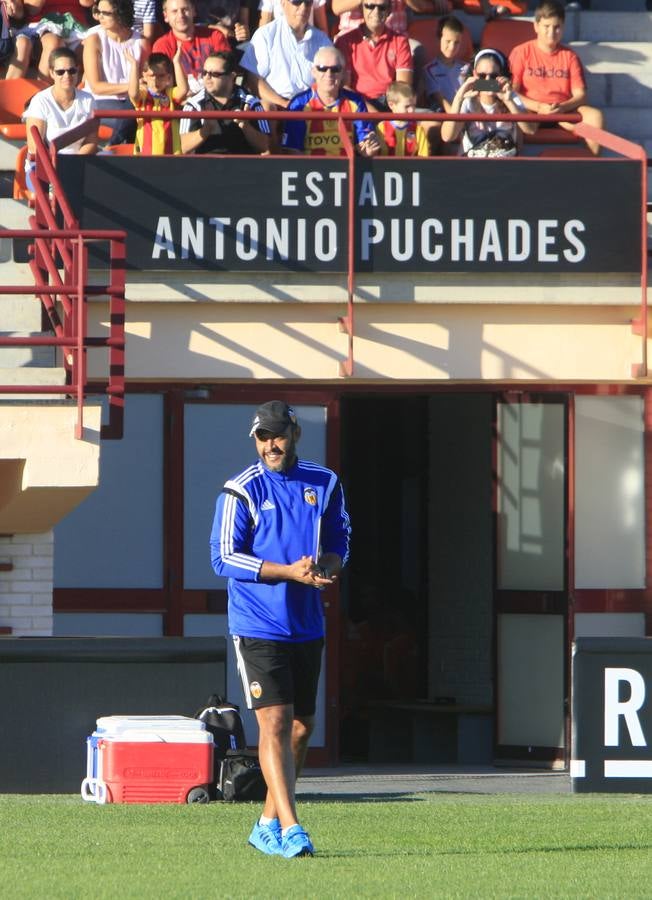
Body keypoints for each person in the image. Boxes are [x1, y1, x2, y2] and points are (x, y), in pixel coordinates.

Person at [210, 401, 351, 859]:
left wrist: (326, 567)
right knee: (272, 722)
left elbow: (339, 542)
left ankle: (266, 822)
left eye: (278, 434)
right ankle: (293, 829)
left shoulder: (324, 482)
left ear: (295, 434)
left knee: (301, 727)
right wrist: (289, 572)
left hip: (306, 623)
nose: (271, 444)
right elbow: (224, 558)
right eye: (262, 436)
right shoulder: (240, 490)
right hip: (257, 622)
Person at [508, 0, 604, 155]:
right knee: (514, 114)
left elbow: (581, 95)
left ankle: (591, 164)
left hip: (564, 112)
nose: (551, 32)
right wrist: (539, 107)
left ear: (563, 27)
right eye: (546, 26)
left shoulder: (570, 56)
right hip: (532, 111)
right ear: (536, 26)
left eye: (557, 27)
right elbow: (512, 93)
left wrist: (561, 108)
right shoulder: (521, 52)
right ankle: (517, 163)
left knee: (594, 116)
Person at [282, 46, 380, 156]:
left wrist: (368, 150)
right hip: (310, 170)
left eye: (335, 69)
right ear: (313, 72)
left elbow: (363, 145)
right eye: (322, 68)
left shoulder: (356, 102)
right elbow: (293, 150)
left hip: (348, 170)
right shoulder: (299, 104)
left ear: (343, 73)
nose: (329, 74)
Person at [22, 46, 97, 190]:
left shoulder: (88, 100)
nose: (67, 76)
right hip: (43, 167)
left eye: (72, 71)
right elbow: (35, 147)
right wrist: (59, 170)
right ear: (51, 73)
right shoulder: (40, 101)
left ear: (77, 71)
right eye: (60, 72)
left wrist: (73, 166)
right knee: (58, 195)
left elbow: (91, 142)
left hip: (78, 165)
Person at [239, 0, 332, 111]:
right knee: (267, 108)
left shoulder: (322, 40)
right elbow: (254, 80)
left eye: (308, 2)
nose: (303, 7)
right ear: (283, 3)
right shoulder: (265, 35)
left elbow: (332, 77)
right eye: (296, 2)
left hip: (313, 108)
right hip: (277, 107)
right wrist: (286, 105)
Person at [441, 47, 536, 156]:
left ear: (502, 75)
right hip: (472, 164)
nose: (488, 81)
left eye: (494, 76)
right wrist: (458, 98)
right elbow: (447, 136)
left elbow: (530, 130)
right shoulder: (468, 100)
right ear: (474, 75)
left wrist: (508, 101)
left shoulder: (511, 97)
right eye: (482, 76)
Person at [82, 0, 149, 145]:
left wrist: (137, 87)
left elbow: (146, 80)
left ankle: (113, 148)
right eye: (98, 11)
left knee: (139, 113)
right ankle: (114, 147)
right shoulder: (94, 40)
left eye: (105, 13)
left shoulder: (141, 43)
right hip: (99, 102)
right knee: (133, 115)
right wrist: (132, 86)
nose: (100, 17)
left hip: (133, 101)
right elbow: (96, 87)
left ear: (120, 14)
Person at [180, 50, 270, 154]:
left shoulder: (251, 102)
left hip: (243, 166)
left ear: (232, 76)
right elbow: (185, 147)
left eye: (215, 74)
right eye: (204, 73)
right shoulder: (193, 105)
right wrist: (207, 128)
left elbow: (265, 147)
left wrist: (245, 125)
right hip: (207, 167)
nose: (207, 77)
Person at [335, 0, 412, 110]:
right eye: (370, 6)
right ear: (362, 9)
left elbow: (403, 89)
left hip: (391, 106)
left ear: (389, 11)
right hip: (358, 105)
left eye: (382, 7)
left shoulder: (400, 41)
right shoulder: (345, 41)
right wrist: (371, 112)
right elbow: (345, 88)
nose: (376, 11)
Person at [153, 0, 231, 94]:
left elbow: (227, 75)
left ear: (194, 11)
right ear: (166, 16)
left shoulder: (215, 36)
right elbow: (161, 87)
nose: (181, 15)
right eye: (174, 11)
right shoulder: (161, 46)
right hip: (181, 103)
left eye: (185, 9)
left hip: (214, 99)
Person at [6, 0, 92, 80]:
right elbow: (33, 9)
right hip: (42, 24)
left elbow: (87, 2)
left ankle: (86, 93)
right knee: (53, 43)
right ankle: (41, 91)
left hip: (75, 26)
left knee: (92, 48)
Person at [127, 48, 189, 154]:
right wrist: (134, 66)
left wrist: (177, 63)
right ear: (144, 77)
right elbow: (133, 93)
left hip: (172, 153)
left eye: (161, 76)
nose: (156, 80)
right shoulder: (143, 95)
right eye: (151, 76)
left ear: (169, 78)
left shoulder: (170, 94)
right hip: (146, 155)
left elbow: (183, 90)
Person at [376, 80, 428, 156]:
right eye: (407, 106)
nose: (411, 110)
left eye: (414, 105)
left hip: (412, 167)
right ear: (391, 105)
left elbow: (424, 157)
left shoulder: (418, 129)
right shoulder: (381, 127)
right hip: (386, 167)